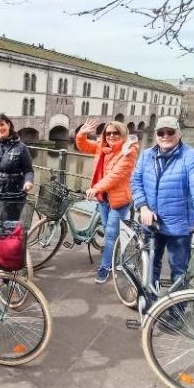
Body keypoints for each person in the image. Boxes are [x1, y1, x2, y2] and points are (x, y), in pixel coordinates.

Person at [131, 115, 194, 286]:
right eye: (161, 133)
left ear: (179, 133)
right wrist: (143, 207)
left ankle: (177, 303)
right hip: (151, 223)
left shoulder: (191, 157)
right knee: (150, 266)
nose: (165, 136)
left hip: (179, 227)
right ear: (156, 135)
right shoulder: (146, 155)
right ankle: (150, 300)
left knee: (179, 271)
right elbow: (136, 182)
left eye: (170, 132)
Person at [75, 118, 139, 284]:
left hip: (119, 200)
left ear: (123, 134)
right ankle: (117, 253)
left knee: (110, 234)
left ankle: (105, 267)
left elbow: (116, 175)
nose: (111, 135)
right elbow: (83, 146)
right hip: (103, 198)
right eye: (108, 133)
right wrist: (82, 133)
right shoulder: (102, 147)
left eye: (115, 133)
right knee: (108, 229)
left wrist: (96, 188)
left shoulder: (129, 150)